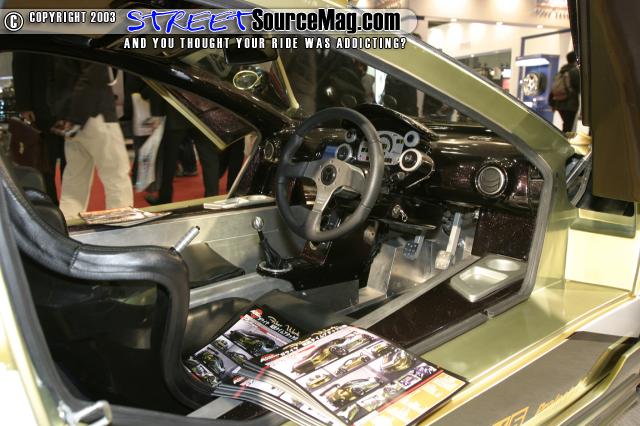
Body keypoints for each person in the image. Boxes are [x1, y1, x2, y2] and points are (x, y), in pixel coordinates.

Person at [53, 59, 133, 218]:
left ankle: (68, 224)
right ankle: (121, 224)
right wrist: (77, 117)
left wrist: (65, 116)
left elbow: (55, 81)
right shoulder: (88, 45)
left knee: (75, 180)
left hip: (70, 118)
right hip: (96, 114)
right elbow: (94, 76)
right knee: (116, 176)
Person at [11, 53, 66, 204]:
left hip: (65, 105)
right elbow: (20, 65)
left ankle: (68, 203)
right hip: (41, 107)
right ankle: (49, 202)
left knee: (68, 160)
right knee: (45, 161)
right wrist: (24, 105)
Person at [549, 51, 581, 133]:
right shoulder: (574, 72)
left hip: (559, 104)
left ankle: (563, 138)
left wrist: (552, 104)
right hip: (570, 105)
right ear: (576, 60)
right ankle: (564, 140)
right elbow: (579, 88)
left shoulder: (561, 71)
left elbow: (553, 88)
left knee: (566, 125)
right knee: (568, 127)